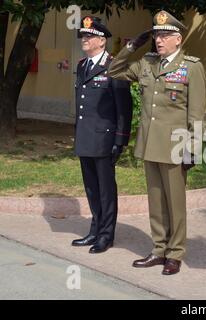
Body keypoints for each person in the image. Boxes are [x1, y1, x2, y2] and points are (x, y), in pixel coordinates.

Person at [108, 10, 206, 274]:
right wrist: (132, 47)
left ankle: (175, 253)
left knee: (175, 204)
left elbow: (196, 114)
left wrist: (192, 149)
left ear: (178, 39)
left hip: (175, 147)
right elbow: (114, 70)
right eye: (156, 35)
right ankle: (158, 249)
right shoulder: (147, 63)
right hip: (150, 144)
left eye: (164, 35)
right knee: (155, 201)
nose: (159, 40)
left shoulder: (192, 67)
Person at [71, 16, 132, 253]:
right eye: (83, 36)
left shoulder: (114, 67)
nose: (84, 40)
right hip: (86, 136)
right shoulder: (81, 66)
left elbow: (123, 107)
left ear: (101, 41)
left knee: (106, 190)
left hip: (105, 138)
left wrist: (120, 140)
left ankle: (106, 235)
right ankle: (95, 229)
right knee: (91, 188)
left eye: (88, 36)